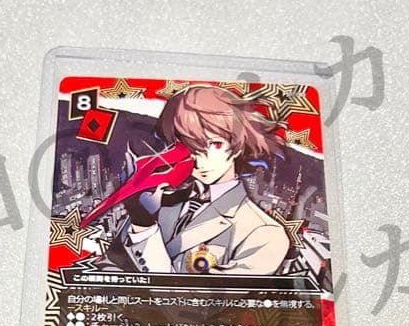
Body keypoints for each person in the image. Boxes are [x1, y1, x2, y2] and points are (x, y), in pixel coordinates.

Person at [116, 84, 290, 276]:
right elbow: (110, 265)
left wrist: (144, 225)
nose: (199, 161)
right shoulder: (159, 202)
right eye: (187, 146)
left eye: (215, 144)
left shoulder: (264, 232)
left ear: (237, 145)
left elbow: (190, 295)